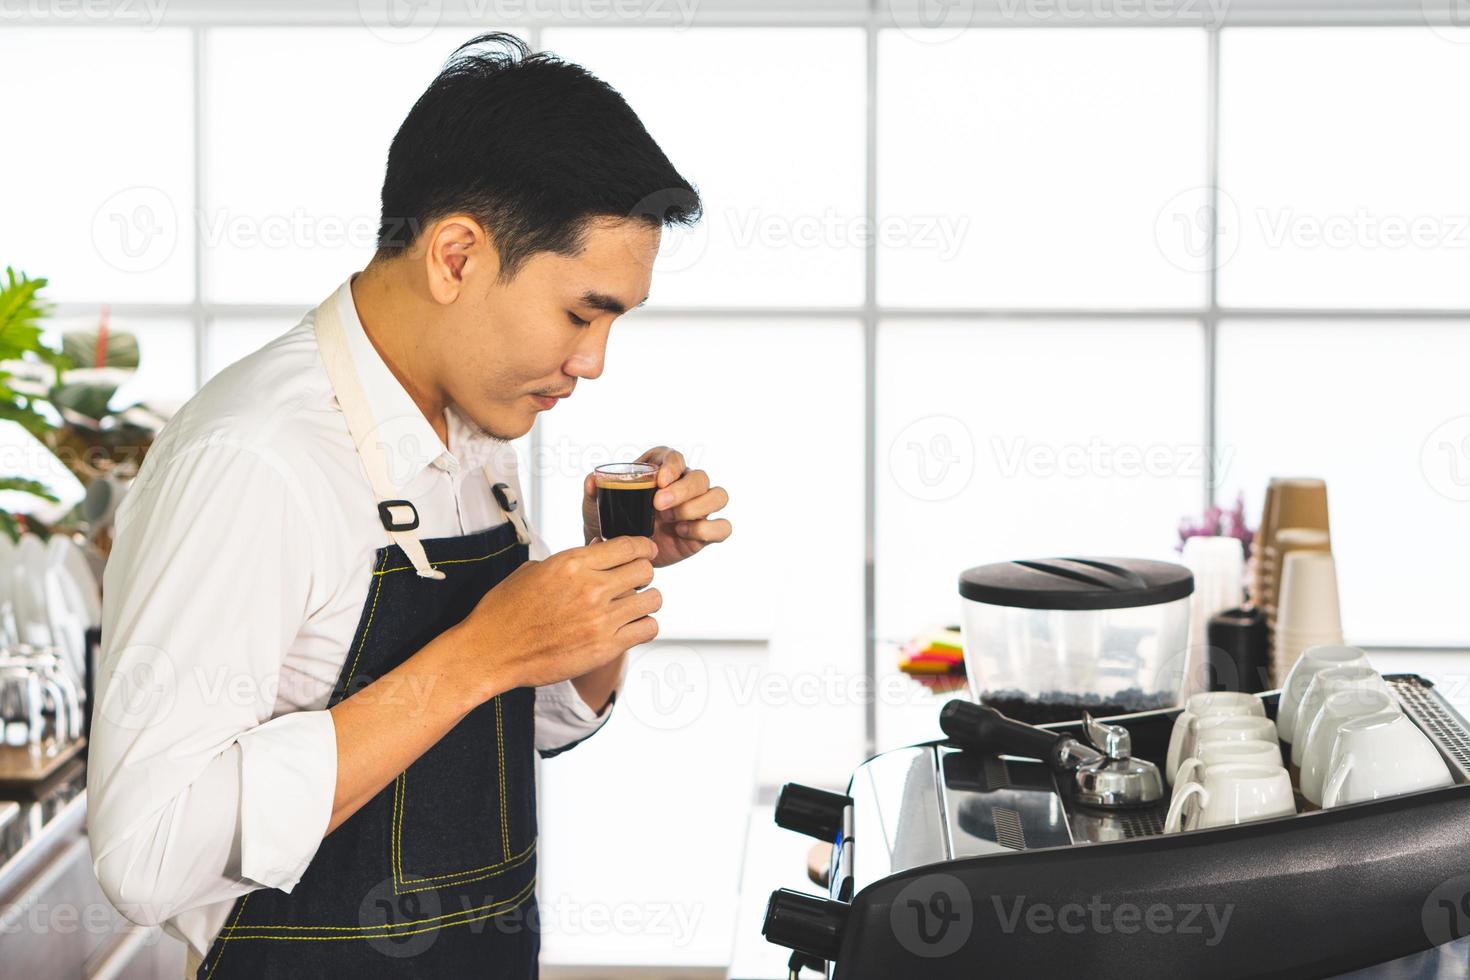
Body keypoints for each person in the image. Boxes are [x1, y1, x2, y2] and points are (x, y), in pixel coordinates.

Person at [86, 32, 730, 979]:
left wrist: (602, 589)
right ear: (457, 256)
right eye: (581, 314)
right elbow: (144, 851)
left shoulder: (472, 431)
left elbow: (529, 722)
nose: (592, 362)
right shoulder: (251, 460)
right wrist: (478, 656)